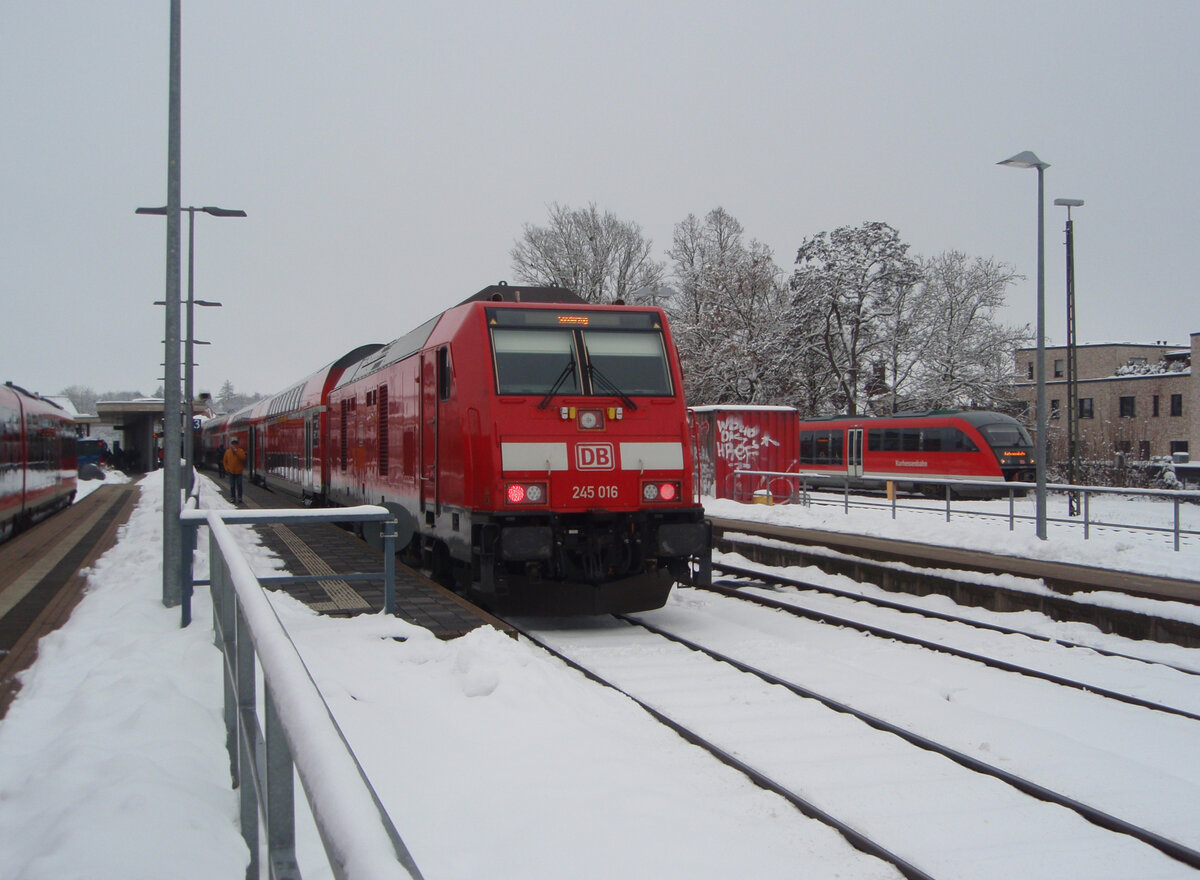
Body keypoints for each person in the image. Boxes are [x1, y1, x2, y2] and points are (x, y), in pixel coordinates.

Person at [223, 438, 247, 504]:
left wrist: (236, 451)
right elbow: (225, 461)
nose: (234, 445)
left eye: (236, 444)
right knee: (232, 486)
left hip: (239, 472)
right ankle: (232, 497)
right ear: (231, 445)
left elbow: (243, 457)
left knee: (239, 485)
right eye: (233, 444)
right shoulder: (227, 452)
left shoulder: (240, 451)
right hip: (231, 472)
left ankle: (239, 497)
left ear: (237, 445)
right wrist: (227, 468)